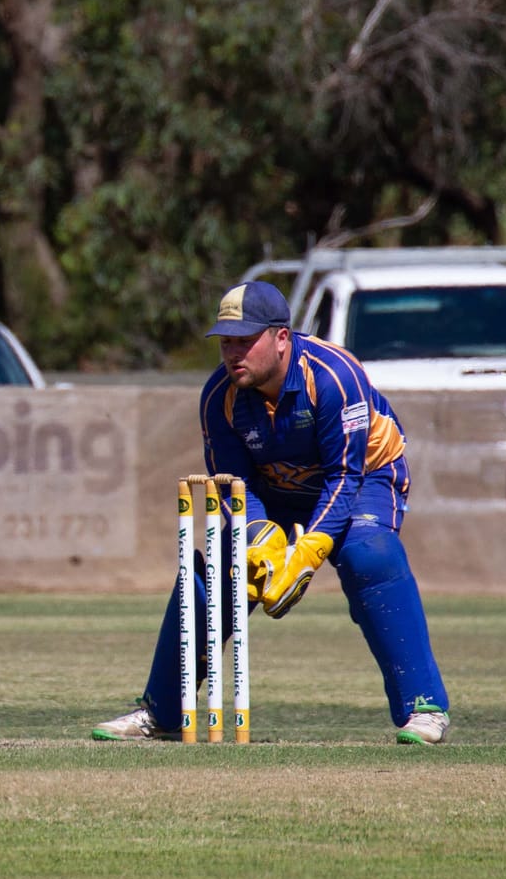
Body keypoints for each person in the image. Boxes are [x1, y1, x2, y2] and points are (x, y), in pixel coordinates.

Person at [92, 280, 452, 745]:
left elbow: (343, 478)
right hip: (276, 491)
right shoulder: (218, 397)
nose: (233, 353)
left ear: (281, 337)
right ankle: (160, 713)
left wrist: (305, 554)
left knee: (369, 556)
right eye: (226, 342)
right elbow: (233, 486)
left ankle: (423, 708)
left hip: (366, 477)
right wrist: (259, 537)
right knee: (219, 568)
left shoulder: (334, 376)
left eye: (245, 340)